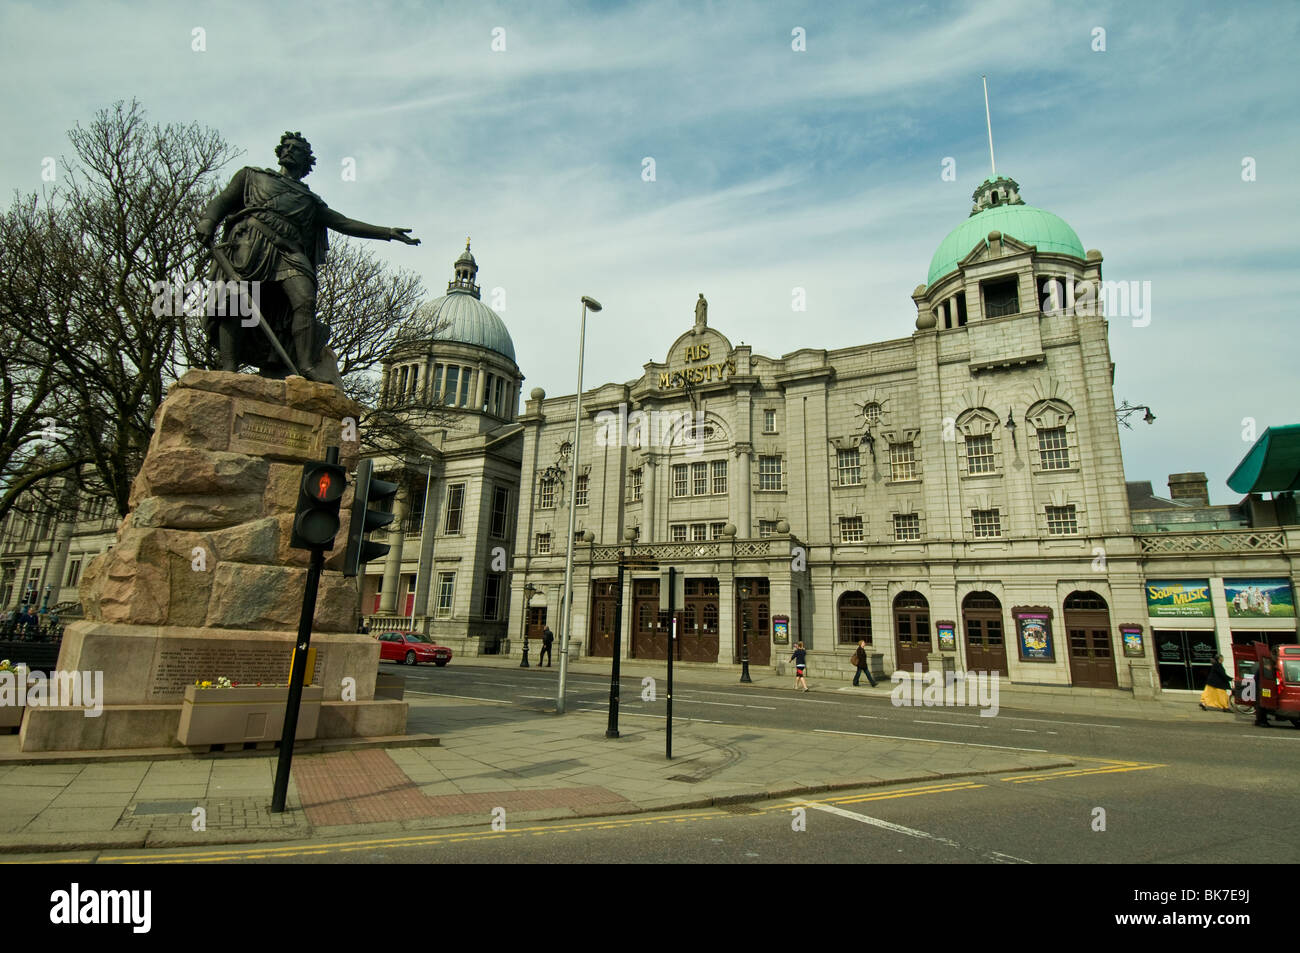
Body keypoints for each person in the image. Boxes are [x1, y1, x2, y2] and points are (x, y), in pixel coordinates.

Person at [196, 132, 420, 383]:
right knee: (234, 301)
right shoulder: (252, 176)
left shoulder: (309, 201)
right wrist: (208, 221)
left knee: (304, 301)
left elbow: (344, 223)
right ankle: (229, 367)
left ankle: (304, 366)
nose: (290, 151)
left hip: (289, 253)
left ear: (306, 162)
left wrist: (387, 232)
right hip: (251, 245)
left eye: (297, 149)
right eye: (287, 147)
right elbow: (223, 201)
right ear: (279, 152)